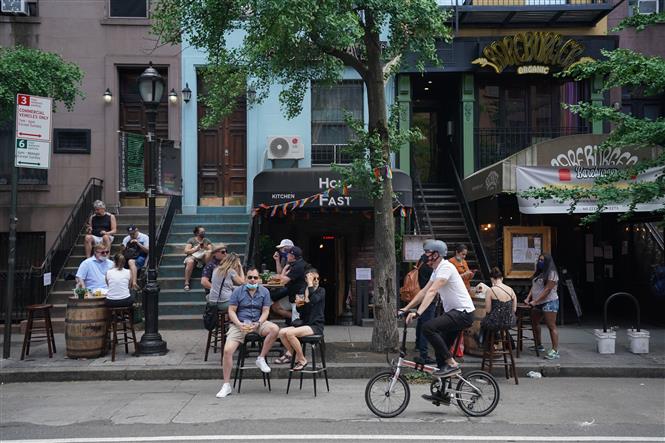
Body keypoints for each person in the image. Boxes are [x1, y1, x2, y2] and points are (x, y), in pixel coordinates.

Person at [401, 239, 475, 380]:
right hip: (455, 313)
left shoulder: (445, 267)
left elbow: (432, 291)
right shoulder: (436, 270)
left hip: (463, 312)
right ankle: (443, 392)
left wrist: (418, 313)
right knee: (440, 353)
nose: (425, 256)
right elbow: (423, 292)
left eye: (427, 253)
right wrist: (405, 308)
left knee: (428, 327)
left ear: (436, 255)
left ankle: (452, 364)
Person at [216, 268, 280, 398]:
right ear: (245, 278)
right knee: (228, 350)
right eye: (250, 277)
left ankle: (261, 358)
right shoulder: (237, 291)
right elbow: (231, 310)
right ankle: (226, 385)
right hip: (240, 324)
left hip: (257, 323)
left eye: (255, 278)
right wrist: (239, 324)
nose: (252, 280)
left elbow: (266, 311)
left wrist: (259, 323)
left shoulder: (264, 291)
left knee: (274, 329)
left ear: (259, 279)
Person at [274, 269, 325, 370]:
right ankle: (297, 357)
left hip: (315, 325)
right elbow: (300, 310)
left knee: (290, 333)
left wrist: (310, 286)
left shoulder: (321, 291)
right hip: (304, 323)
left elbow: (314, 300)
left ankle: (302, 360)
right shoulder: (302, 290)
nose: (316, 281)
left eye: (317, 278)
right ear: (306, 279)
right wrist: (298, 305)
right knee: (281, 333)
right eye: (312, 278)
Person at [525, 253, 560, 360]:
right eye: (539, 260)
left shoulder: (552, 273)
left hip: (549, 302)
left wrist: (535, 301)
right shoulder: (539, 273)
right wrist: (528, 298)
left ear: (548, 262)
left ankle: (555, 350)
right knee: (535, 323)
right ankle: (539, 345)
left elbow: (547, 290)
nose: (540, 262)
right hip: (537, 302)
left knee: (551, 326)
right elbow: (534, 287)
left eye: (542, 260)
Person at [479, 267, 517, 342]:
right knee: (494, 324)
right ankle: (499, 340)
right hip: (510, 321)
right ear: (502, 278)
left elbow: (488, 310)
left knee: (484, 323)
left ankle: (486, 344)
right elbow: (514, 309)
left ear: (492, 279)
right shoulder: (511, 290)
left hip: (495, 322)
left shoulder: (490, 290)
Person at [271, 246, 307, 322]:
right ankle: (296, 317)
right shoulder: (295, 263)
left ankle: (299, 319)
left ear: (293, 256)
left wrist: (284, 269)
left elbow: (282, 281)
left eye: (288, 254)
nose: (286, 255)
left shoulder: (298, 266)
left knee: (297, 323)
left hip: (299, 297)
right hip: (293, 295)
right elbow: (283, 276)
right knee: (275, 307)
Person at [414, 252, 436, 365]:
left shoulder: (420, 261)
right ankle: (424, 354)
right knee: (426, 326)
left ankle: (418, 345)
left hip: (420, 295)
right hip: (427, 299)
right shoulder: (428, 268)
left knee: (421, 322)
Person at [183, 225, 213, 291]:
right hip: (194, 256)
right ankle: (186, 283)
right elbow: (186, 251)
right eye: (202, 232)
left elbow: (211, 250)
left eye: (204, 231)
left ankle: (209, 277)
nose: (204, 233)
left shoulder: (207, 240)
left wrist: (205, 247)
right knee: (190, 261)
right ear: (197, 233)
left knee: (208, 254)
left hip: (203, 258)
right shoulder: (191, 240)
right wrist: (196, 249)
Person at [121, 225, 149, 290]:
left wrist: (138, 243)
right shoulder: (126, 238)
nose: (132, 235)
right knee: (126, 261)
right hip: (129, 256)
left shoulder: (144, 237)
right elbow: (122, 252)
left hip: (141, 257)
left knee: (130, 262)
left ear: (137, 230)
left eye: (133, 233)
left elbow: (148, 251)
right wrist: (124, 248)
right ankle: (131, 285)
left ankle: (133, 283)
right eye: (130, 234)